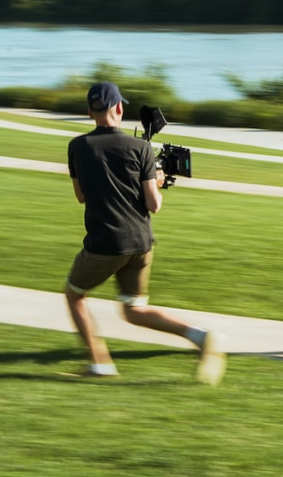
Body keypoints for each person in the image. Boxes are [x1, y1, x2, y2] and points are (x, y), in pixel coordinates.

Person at [64, 81, 225, 385]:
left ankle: (99, 363)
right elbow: (153, 204)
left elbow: (81, 196)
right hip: (141, 244)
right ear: (120, 108)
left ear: (89, 112)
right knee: (134, 309)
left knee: (74, 296)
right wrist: (156, 180)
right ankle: (203, 338)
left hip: (104, 243)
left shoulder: (77, 147)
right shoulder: (141, 148)